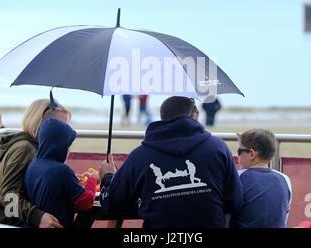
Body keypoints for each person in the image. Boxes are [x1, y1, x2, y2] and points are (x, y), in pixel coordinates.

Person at [99, 96, 242, 228]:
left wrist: (108, 177)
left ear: (162, 118)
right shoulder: (218, 148)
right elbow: (234, 202)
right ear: (193, 116)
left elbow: (113, 205)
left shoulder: (139, 156)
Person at [0, 92, 71, 227]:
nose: (64, 131)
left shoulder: (39, 148)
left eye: (67, 126)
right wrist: (38, 217)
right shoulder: (24, 149)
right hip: (9, 223)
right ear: (40, 122)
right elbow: (7, 195)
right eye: (60, 125)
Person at [24, 118, 98, 228]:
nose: (69, 149)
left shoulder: (32, 166)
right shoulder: (63, 170)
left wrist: (72, 180)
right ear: (60, 146)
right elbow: (86, 202)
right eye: (68, 145)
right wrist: (93, 179)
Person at [230, 129, 292, 228]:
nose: (237, 156)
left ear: (251, 154)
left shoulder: (237, 177)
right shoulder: (285, 179)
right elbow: (283, 217)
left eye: (239, 151)